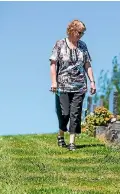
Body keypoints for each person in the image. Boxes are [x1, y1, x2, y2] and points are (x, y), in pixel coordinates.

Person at [49, 19, 96, 151]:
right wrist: (54, 82)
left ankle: (72, 143)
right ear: (72, 30)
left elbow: (87, 64)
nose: (81, 35)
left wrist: (92, 82)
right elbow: (53, 64)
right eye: (79, 32)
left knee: (75, 114)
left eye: (83, 33)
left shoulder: (83, 46)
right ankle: (60, 134)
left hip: (79, 86)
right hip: (63, 85)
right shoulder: (60, 44)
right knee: (64, 113)